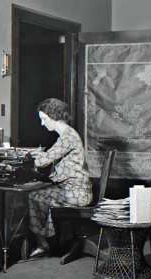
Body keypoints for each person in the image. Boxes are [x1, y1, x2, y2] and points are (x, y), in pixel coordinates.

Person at [28, 98, 93, 258]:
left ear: (54, 115)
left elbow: (43, 162)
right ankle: (46, 241)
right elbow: (52, 156)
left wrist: (31, 156)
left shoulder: (68, 136)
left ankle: (44, 244)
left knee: (35, 196)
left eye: (44, 119)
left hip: (77, 193)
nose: (43, 124)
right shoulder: (67, 135)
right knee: (39, 194)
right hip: (73, 189)